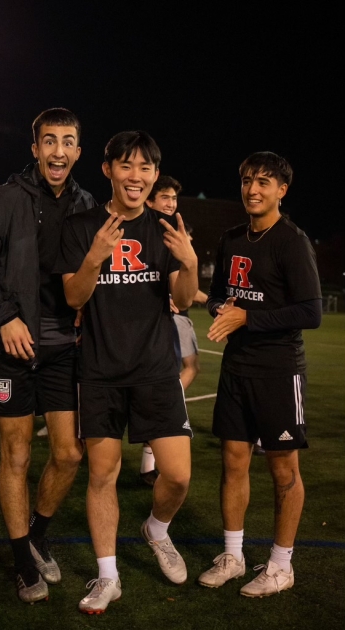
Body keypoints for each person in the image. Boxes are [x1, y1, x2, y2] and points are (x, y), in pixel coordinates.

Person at [0, 108, 97, 603]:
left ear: (79, 152)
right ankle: (22, 562)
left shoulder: (87, 203)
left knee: (68, 453)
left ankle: (37, 537)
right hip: (12, 349)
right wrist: (5, 316)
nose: (59, 151)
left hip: (63, 350)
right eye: (49, 141)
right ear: (35, 148)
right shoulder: (6, 200)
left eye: (69, 142)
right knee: (15, 454)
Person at [57, 130, 198, 614]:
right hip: (99, 369)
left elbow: (181, 300)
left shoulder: (166, 227)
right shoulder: (79, 226)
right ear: (107, 169)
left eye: (145, 168)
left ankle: (156, 530)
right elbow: (73, 297)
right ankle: (108, 576)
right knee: (103, 475)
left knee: (177, 477)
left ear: (155, 175)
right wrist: (95, 255)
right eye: (126, 166)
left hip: (157, 369)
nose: (135, 176)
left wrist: (191, 262)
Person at [198, 151, 322, 598]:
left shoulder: (291, 240)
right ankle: (233, 555)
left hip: (277, 369)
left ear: (282, 190)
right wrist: (223, 310)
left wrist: (248, 318)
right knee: (233, 462)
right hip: (237, 368)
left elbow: (311, 312)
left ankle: (280, 565)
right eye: (248, 179)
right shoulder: (231, 238)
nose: (253, 188)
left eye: (265, 181)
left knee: (283, 468)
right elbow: (215, 296)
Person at [139, 179, 207, 486]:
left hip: (168, 322)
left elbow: (183, 291)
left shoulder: (170, 235)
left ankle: (148, 465)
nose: (170, 203)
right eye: (164, 197)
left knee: (159, 388)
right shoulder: (140, 233)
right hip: (152, 327)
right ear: (149, 200)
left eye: (173, 198)